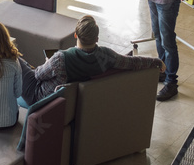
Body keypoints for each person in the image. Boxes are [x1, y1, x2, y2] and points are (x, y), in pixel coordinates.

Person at [18, 15, 163, 105]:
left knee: (16, 58)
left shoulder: (60, 58)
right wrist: (156, 61)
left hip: (41, 98)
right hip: (68, 102)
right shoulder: (106, 56)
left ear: (76, 35)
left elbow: (38, 75)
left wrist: (47, 62)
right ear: (97, 39)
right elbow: (132, 62)